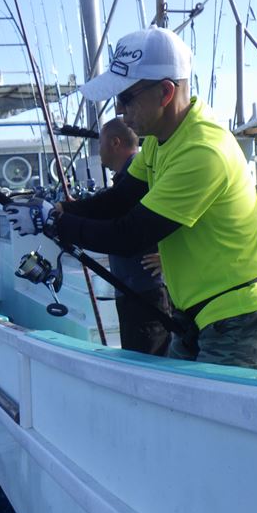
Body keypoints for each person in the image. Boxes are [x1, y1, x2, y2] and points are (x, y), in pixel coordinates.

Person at [5, 26, 257, 370]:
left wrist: (53, 222)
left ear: (165, 92)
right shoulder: (159, 141)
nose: (119, 110)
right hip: (195, 317)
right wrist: (61, 209)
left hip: (235, 321)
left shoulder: (202, 151)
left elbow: (129, 235)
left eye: (125, 97)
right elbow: (119, 200)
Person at [57, 118, 171, 356]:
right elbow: (109, 207)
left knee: (147, 361)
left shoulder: (137, 177)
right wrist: (69, 211)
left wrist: (169, 256)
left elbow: (159, 221)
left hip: (145, 291)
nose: (98, 150)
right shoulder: (126, 179)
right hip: (134, 290)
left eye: (100, 143)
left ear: (115, 143)